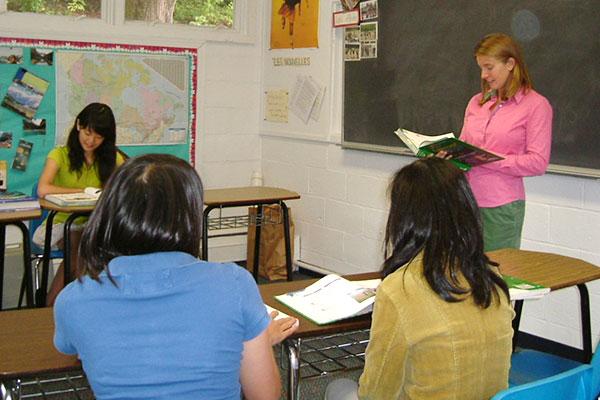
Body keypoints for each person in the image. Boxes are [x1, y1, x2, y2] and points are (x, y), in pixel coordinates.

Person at [53, 153, 298, 400]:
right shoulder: (234, 283)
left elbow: (73, 346)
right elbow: (265, 396)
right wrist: (257, 345)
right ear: (189, 216)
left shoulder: (73, 299)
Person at [325, 158, 515, 399]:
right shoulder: (492, 279)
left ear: (404, 218)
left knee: (338, 388)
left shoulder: (399, 289)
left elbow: (375, 394)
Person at [459, 33, 552, 252]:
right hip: (465, 203)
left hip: (501, 206)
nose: (484, 75)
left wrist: (489, 160)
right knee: (464, 276)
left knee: (498, 276)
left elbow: (538, 162)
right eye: (481, 68)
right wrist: (445, 156)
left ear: (510, 64)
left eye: (489, 67)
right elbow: (463, 146)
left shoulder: (536, 105)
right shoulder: (476, 102)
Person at [34, 102, 125, 306]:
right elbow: (43, 188)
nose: (91, 141)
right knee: (81, 245)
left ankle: (83, 308)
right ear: (78, 125)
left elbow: (124, 189)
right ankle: (53, 306)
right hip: (61, 224)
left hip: (94, 225)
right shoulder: (59, 155)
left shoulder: (113, 159)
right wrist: (83, 192)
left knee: (107, 245)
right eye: (87, 132)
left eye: (99, 137)